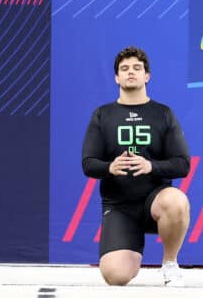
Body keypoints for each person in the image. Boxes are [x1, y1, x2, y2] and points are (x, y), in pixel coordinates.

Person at [81, 46, 191, 287]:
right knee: (116, 276)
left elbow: (182, 164)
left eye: (137, 68)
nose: (131, 72)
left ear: (147, 76)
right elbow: (88, 164)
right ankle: (129, 243)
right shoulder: (103, 115)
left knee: (176, 200)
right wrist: (110, 168)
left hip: (155, 202)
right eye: (125, 69)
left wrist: (150, 166)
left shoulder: (163, 114)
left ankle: (170, 263)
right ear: (116, 77)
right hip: (119, 207)